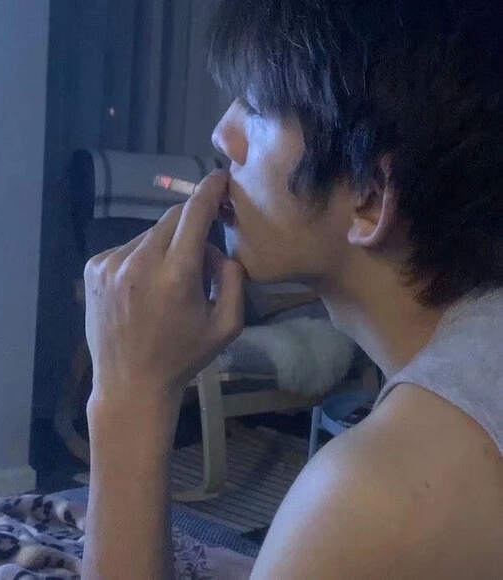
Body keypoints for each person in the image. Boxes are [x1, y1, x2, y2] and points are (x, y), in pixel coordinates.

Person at [81, 0, 502, 577]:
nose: (222, 134)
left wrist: (127, 397)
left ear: (370, 197)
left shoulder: (371, 493)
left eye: (256, 107)